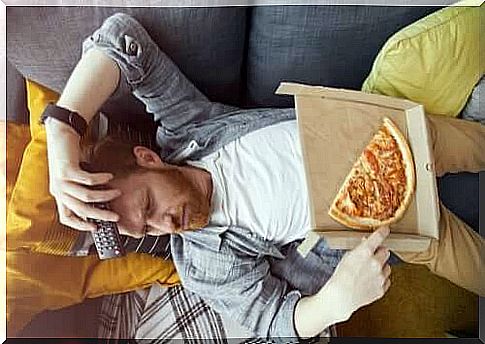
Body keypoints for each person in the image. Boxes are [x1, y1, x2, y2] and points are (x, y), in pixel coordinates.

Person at [43, 13, 484, 339]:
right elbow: (270, 318)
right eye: (147, 227)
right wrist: (335, 302)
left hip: (390, 135)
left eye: (149, 205)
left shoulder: (189, 126)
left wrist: (63, 127)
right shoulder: (201, 266)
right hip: (386, 220)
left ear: (149, 159)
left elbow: (123, 37)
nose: (164, 224)